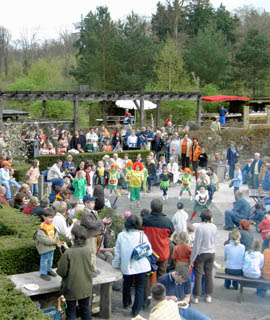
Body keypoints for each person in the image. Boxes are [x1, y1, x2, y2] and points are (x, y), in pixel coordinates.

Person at [112, 215, 152, 318]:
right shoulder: (142, 235)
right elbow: (149, 251)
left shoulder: (121, 235)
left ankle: (126, 302)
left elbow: (117, 252)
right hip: (141, 266)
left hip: (127, 265)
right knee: (140, 287)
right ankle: (136, 310)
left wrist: (116, 264)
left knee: (127, 284)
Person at [57, 224, 94, 320]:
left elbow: (61, 272)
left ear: (73, 237)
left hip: (71, 288)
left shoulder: (68, 253)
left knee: (71, 312)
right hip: (86, 286)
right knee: (85, 310)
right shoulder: (88, 250)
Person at [191, 208, 217, 304]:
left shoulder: (200, 228)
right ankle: (208, 295)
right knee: (209, 274)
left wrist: (192, 258)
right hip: (211, 252)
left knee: (198, 275)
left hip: (201, 253)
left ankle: (196, 296)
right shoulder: (214, 227)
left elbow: (197, 244)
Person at [80, 195, 111, 272]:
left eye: (94, 202)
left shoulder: (93, 212)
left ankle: (93, 268)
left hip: (95, 235)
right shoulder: (86, 213)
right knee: (91, 253)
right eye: (91, 203)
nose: (94, 204)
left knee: (93, 252)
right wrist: (102, 221)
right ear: (86, 204)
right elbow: (91, 224)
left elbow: (97, 223)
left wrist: (103, 227)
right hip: (90, 236)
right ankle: (91, 269)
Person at [34, 208, 62, 281]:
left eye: (52, 217)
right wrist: (55, 241)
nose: (51, 219)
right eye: (49, 217)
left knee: (50, 259)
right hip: (45, 248)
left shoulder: (52, 226)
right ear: (44, 217)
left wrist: (57, 240)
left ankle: (49, 269)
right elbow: (44, 239)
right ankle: (43, 273)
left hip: (51, 247)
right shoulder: (42, 227)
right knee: (44, 260)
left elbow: (56, 234)